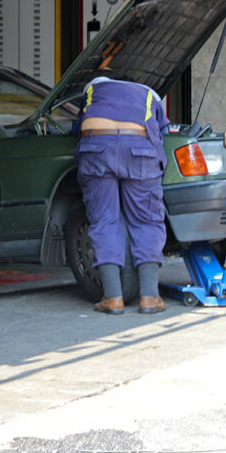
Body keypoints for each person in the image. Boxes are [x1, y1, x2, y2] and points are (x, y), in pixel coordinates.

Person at [74, 70, 168, 315]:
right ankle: (149, 297)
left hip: (96, 148)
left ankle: (113, 298)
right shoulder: (150, 95)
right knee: (147, 220)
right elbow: (160, 134)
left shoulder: (93, 88)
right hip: (139, 150)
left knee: (104, 220)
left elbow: (79, 125)